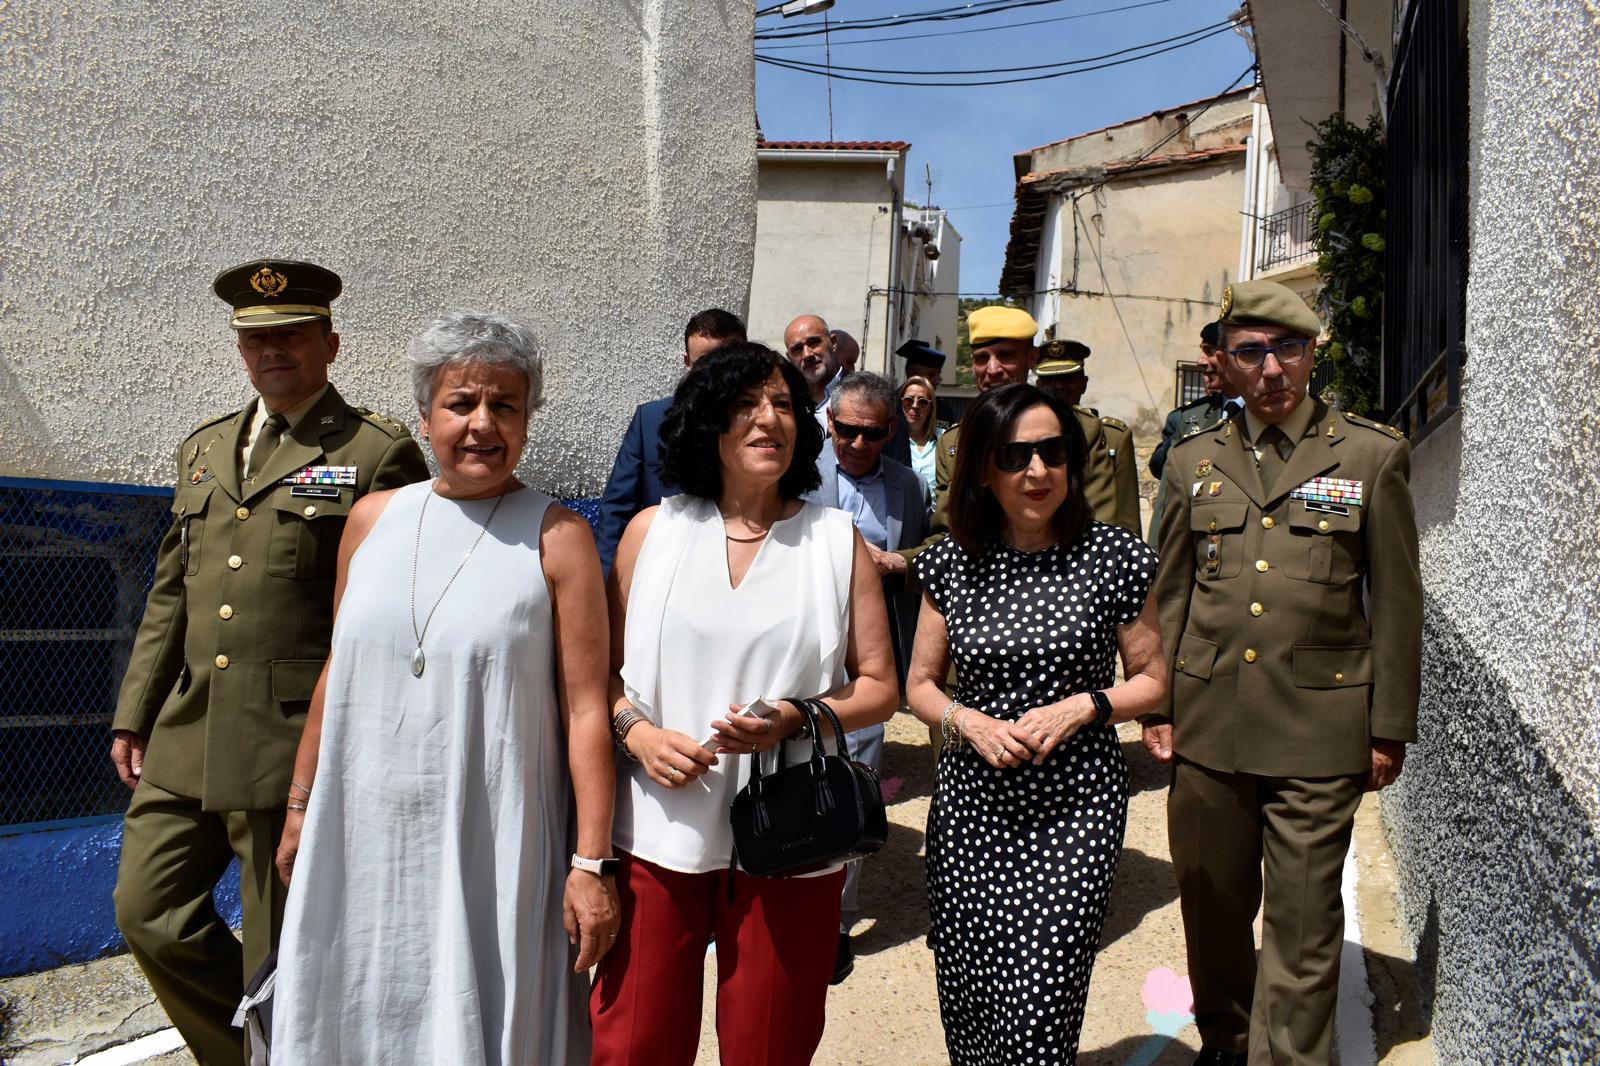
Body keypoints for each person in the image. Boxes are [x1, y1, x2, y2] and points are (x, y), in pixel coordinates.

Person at [271, 311, 619, 1064]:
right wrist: (301, 808)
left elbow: (587, 709)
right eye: (462, 403)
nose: (483, 425)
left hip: (494, 843)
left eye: (506, 405)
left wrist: (591, 866)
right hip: (362, 833)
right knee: (357, 1003)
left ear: (529, 417)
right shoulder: (369, 520)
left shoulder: (558, 538)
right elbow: (340, 670)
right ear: (426, 415)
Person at [108, 259, 429, 1066]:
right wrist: (133, 711)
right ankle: (248, 1054)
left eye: (290, 334)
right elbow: (171, 593)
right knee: (148, 912)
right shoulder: (204, 448)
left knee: (281, 948)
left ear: (330, 343)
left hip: (295, 740)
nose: (272, 350)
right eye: (256, 338)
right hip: (189, 731)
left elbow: (394, 610)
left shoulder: (375, 451)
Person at [591, 343, 898, 1066]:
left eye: (785, 405)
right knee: (632, 1044)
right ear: (710, 424)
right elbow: (598, 678)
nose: (770, 420)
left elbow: (880, 684)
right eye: (747, 405)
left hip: (793, 836)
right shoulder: (651, 534)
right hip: (657, 832)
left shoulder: (833, 540)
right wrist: (637, 734)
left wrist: (799, 717)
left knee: (771, 1046)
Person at [1144, 281, 1422, 1066]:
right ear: (1224, 365)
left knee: (1303, 925)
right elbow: (1170, 592)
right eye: (1251, 352)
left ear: (1312, 354)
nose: (1271, 369)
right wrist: (1157, 703)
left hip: (1321, 730)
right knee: (1212, 906)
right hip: (1207, 721)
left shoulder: (1371, 454)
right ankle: (1228, 1044)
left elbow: (1398, 600)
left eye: (1288, 349)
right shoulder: (1194, 461)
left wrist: (1389, 725)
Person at [906, 382, 1166, 1064]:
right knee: (973, 992)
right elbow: (920, 687)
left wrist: (1088, 705)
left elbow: (1155, 680)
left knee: (1040, 1002)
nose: (1037, 471)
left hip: (1074, 808)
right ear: (985, 471)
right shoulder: (949, 561)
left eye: (1053, 452)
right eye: (1017, 456)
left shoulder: (1115, 558)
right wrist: (970, 724)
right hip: (971, 809)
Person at [803, 370, 930, 983]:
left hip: (870, 657)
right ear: (829, 423)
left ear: (890, 430)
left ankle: (835, 920)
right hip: (801, 650)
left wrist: (897, 562)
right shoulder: (801, 472)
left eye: (871, 434)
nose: (855, 444)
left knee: (857, 780)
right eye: (844, 430)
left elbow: (928, 552)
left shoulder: (907, 487)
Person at [596, 308, 746, 574]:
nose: (717, 372)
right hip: (662, 570)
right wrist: (609, 589)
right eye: (705, 361)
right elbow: (617, 511)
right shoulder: (650, 420)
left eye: (727, 359)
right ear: (687, 362)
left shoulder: (764, 424)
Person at [1147, 321, 1243, 544]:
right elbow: (1167, 498)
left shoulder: (1265, 415)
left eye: (1209, 351)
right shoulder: (1189, 419)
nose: (1200, 361)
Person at [1035, 339, 1142, 536]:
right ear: (1038, 385)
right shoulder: (1023, 437)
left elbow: (1128, 518)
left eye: (1068, 378)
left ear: (1083, 384)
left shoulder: (1112, 437)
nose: (1058, 386)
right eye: (1050, 379)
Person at [783, 314, 842, 431]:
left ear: (833, 342)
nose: (807, 354)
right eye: (797, 349)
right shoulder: (786, 401)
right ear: (789, 357)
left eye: (814, 342)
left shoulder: (864, 394)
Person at [899, 374, 942, 506]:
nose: (915, 406)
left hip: (935, 521)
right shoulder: (890, 441)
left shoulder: (943, 440)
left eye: (922, 402)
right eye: (908, 400)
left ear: (931, 407)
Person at [897, 338, 957, 425]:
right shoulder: (889, 406)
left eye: (939, 374)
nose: (938, 381)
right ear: (913, 375)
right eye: (932, 374)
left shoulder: (943, 411)